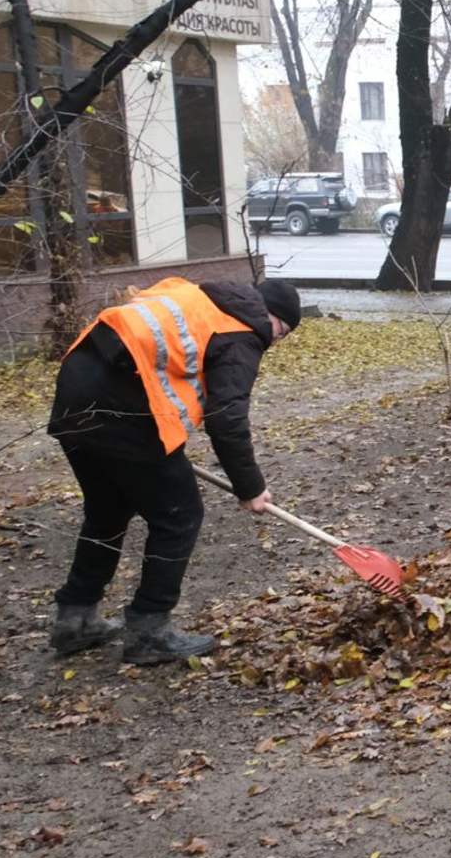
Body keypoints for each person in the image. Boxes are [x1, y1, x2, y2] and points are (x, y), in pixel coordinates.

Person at [47, 277, 301, 665]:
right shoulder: (243, 331)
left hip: (76, 393)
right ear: (273, 318)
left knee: (107, 511)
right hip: (124, 409)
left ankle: (75, 620)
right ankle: (150, 628)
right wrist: (250, 487)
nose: (274, 342)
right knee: (179, 515)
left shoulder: (198, 295)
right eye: (281, 334)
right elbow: (227, 420)